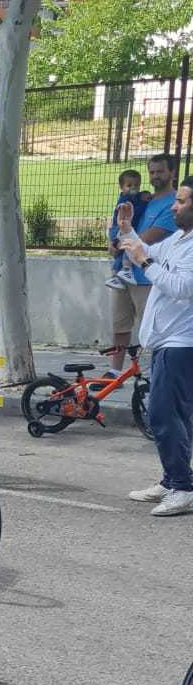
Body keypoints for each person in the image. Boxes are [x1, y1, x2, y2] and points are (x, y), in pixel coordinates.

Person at [118, 180, 193, 515]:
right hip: (167, 342)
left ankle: (181, 487)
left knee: (162, 414)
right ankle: (173, 479)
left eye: (180, 201)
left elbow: (181, 287)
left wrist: (145, 264)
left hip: (182, 344)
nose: (174, 207)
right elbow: (143, 252)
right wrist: (127, 229)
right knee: (176, 415)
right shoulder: (179, 239)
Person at [107, 159, 176, 368]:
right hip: (123, 275)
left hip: (148, 277)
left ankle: (157, 373)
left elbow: (150, 237)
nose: (155, 176)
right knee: (120, 325)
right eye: (152, 171)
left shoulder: (173, 204)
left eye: (160, 171)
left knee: (155, 329)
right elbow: (121, 225)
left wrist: (120, 244)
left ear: (172, 172)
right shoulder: (141, 199)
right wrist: (113, 243)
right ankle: (114, 372)